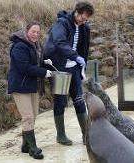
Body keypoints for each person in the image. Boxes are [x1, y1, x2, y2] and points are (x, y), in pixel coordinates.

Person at [44, 1, 94, 145]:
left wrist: (81, 62)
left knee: (79, 100)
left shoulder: (84, 28)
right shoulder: (62, 24)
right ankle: (61, 135)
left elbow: (84, 48)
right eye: (83, 18)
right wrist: (75, 56)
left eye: (86, 19)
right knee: (60, 101)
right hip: (59, 69)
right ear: (77, 12)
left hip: (74, 68)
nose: (84, 21)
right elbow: (59, 43)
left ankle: (87, 135)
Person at [7, 21, 53, 159]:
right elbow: (24, 68)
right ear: (27, 31)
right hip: (20, 86)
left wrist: (44, 62)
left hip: (32, 85)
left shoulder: (35, 45)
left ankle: (25, 145)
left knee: (33, 115)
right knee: (28, 116)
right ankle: (33, 149)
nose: (36, 34)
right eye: (33, 31)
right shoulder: (19, 46)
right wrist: (44, 72)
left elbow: (33, 61)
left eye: (38, 32)